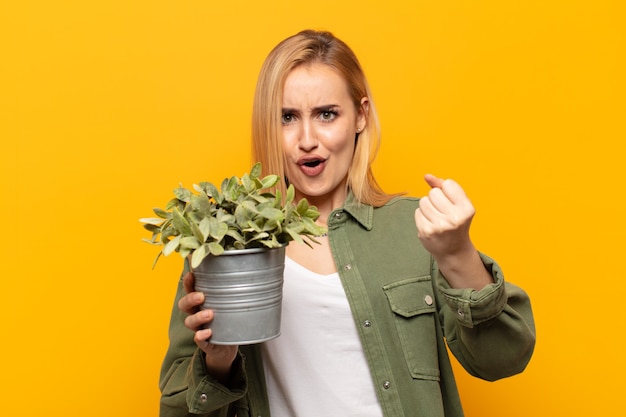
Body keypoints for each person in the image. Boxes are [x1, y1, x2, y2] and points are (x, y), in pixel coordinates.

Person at [159, 29, 536, 417]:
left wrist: (458, 254)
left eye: (327, 114)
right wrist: (218, 361)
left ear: (361, 115)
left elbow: (503, 359)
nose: (307, 139)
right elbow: (176, 411)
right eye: (287, 117)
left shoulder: (413, 229)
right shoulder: (226, 248)